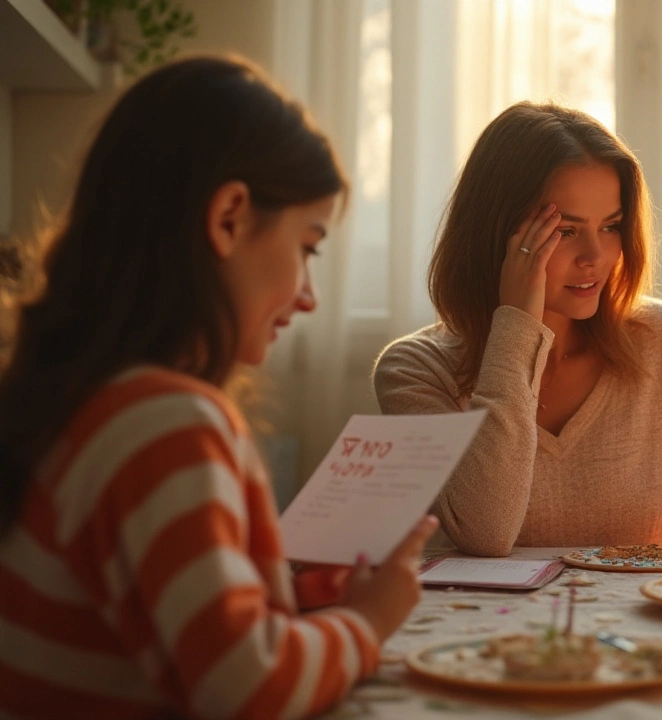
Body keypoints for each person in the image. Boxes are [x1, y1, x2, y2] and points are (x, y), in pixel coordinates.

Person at [0, 56, 437, 719]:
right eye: (308, 247)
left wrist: (281, 598)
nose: (310, 297)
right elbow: (247, 688)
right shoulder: (163, 423)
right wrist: (368, 622)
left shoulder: (81, 402)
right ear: (229, 217)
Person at [374, 101, 662, 556]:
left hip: (654, 635)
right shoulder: (416, 371)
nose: (595, 258)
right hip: (494, 636)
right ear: (496, 233)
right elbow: (486, 533)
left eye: (612, 226)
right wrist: (516, 325)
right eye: (565, 230)